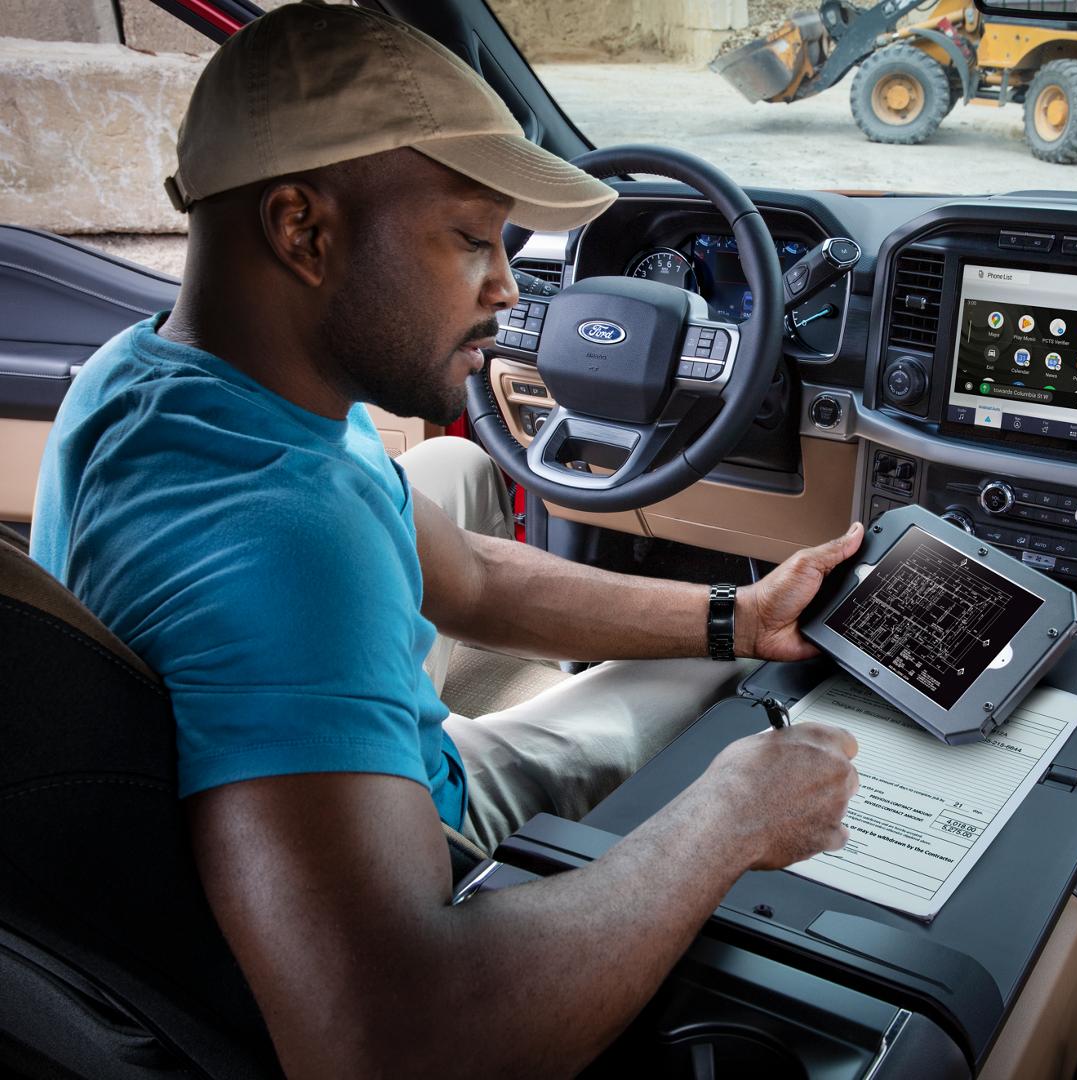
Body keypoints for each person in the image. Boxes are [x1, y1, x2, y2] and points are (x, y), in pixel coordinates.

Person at [29, 2, 863, 1075]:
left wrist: (737, 614)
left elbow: (463, 573)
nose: (511, 290)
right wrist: (732, 821)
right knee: (718, 714)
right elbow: (389, 1041)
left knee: (464, 475)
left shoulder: (145, 374)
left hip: (234, 796)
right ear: (303, 230)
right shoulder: (284, 541)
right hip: (411, 835)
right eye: (472, 239)